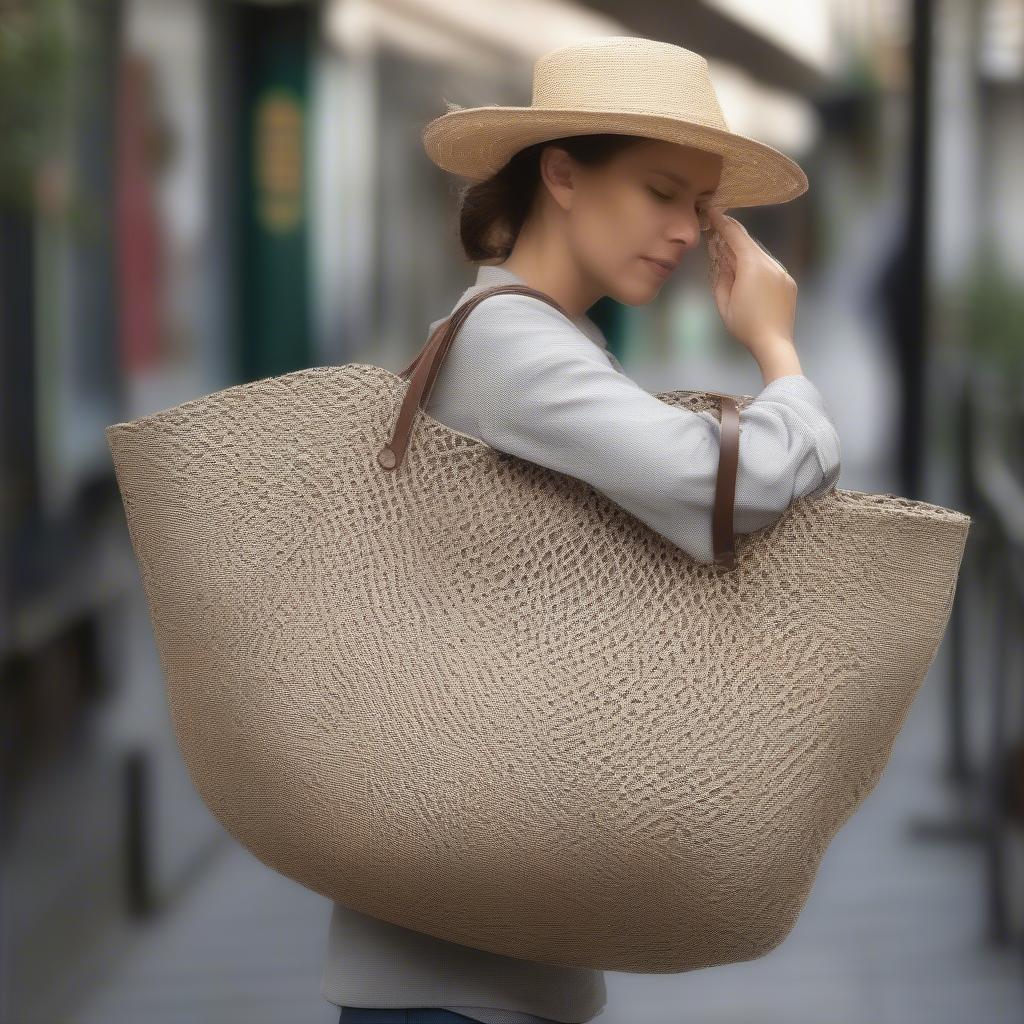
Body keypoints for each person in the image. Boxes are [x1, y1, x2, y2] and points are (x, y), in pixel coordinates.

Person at [323, 35, 840, 1024]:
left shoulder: (524, 339)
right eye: (659, 191)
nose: (687, 230)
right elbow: (718, 490)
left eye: (698, 204)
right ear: (560, 172)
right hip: (452, 978)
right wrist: (778, 349)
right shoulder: (515, 345)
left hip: (476, 952)